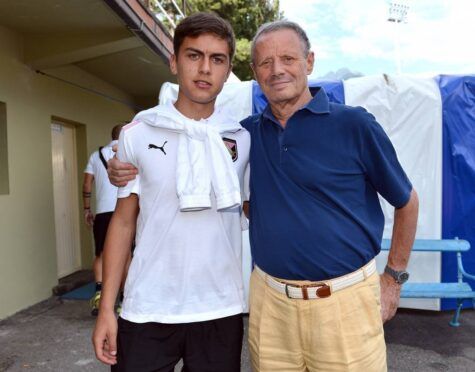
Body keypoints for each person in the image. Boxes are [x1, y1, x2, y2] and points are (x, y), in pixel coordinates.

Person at [107, 20, 419, 372]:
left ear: (309, 62)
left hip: (343, 305)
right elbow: (237, 200)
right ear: (254, 71)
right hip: (271, 307)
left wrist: (393, 280)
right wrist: (121, 169)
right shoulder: (248, 133)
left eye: (288, 58)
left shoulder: (353, 125)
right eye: (266, 63)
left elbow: (407, 201)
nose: (277, 70)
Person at [92, 12, 250, 372]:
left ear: (227, 70)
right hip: (148, 306)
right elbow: (122, 223)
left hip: (220, 308)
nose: (205, 69)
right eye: (194, 55)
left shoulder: (243, 138)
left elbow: (256, 207)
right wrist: (107, 309)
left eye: (217, 59)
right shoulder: (138, 132)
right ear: (174, 61)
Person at [83, 124, 126, 316]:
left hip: (102, 212)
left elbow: (87, 183)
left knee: (100, 254)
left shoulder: (95, 155)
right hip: (125, 211)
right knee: (126, 256)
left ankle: (99, 294)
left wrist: (86, 209)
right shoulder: (130, 151)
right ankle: (124, 300)